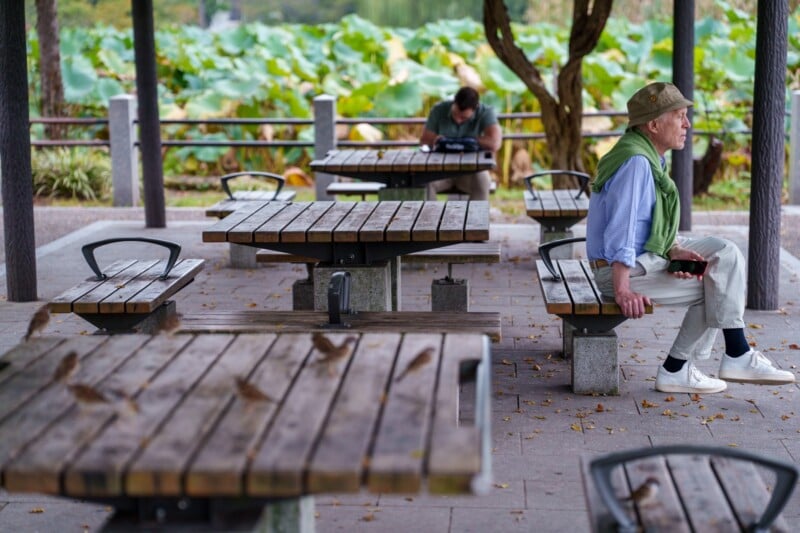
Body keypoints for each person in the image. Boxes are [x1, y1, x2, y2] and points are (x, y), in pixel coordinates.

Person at [585, 81, 795, 394]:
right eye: (679, 116)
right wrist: (622, 289)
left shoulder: (647, 157)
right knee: (716, 285)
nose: (687, 124)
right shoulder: (637, 164)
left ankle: (714, 359)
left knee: (724, 252)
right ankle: (690, 365)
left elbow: (645, 226)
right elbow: (622, 229)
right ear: (654, 124)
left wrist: (674, 250)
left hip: (643, 258)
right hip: (616, 271)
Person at [420, 87, 502, 200]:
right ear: (454, 102)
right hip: (440, 172)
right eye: (455, 114)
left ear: (475, 109)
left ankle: (476, 217)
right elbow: (424, 140)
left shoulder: (486, 112)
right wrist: (437, 139)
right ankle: (431, 217)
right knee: (423, 182)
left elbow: (495, 143)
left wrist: (468, 141)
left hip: (471, 172)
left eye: (463, 118)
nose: (458, 120)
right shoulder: (439, 109)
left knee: (483, 180)